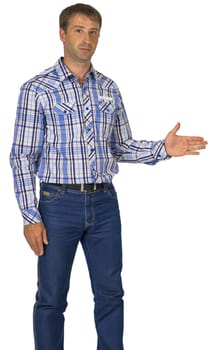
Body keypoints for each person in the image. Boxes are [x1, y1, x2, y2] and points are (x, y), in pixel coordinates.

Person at [9, 3, 207, 350]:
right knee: (52, 297)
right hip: (57, 205)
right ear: (62, 35)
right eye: (79, 30)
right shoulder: (37, 89)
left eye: (93, 32)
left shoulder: (109, 88)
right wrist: (30, 216)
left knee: (111, 294)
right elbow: (22, 156)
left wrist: (163, 148)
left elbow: (121, 145)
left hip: (104, 203)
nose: (86, 39)